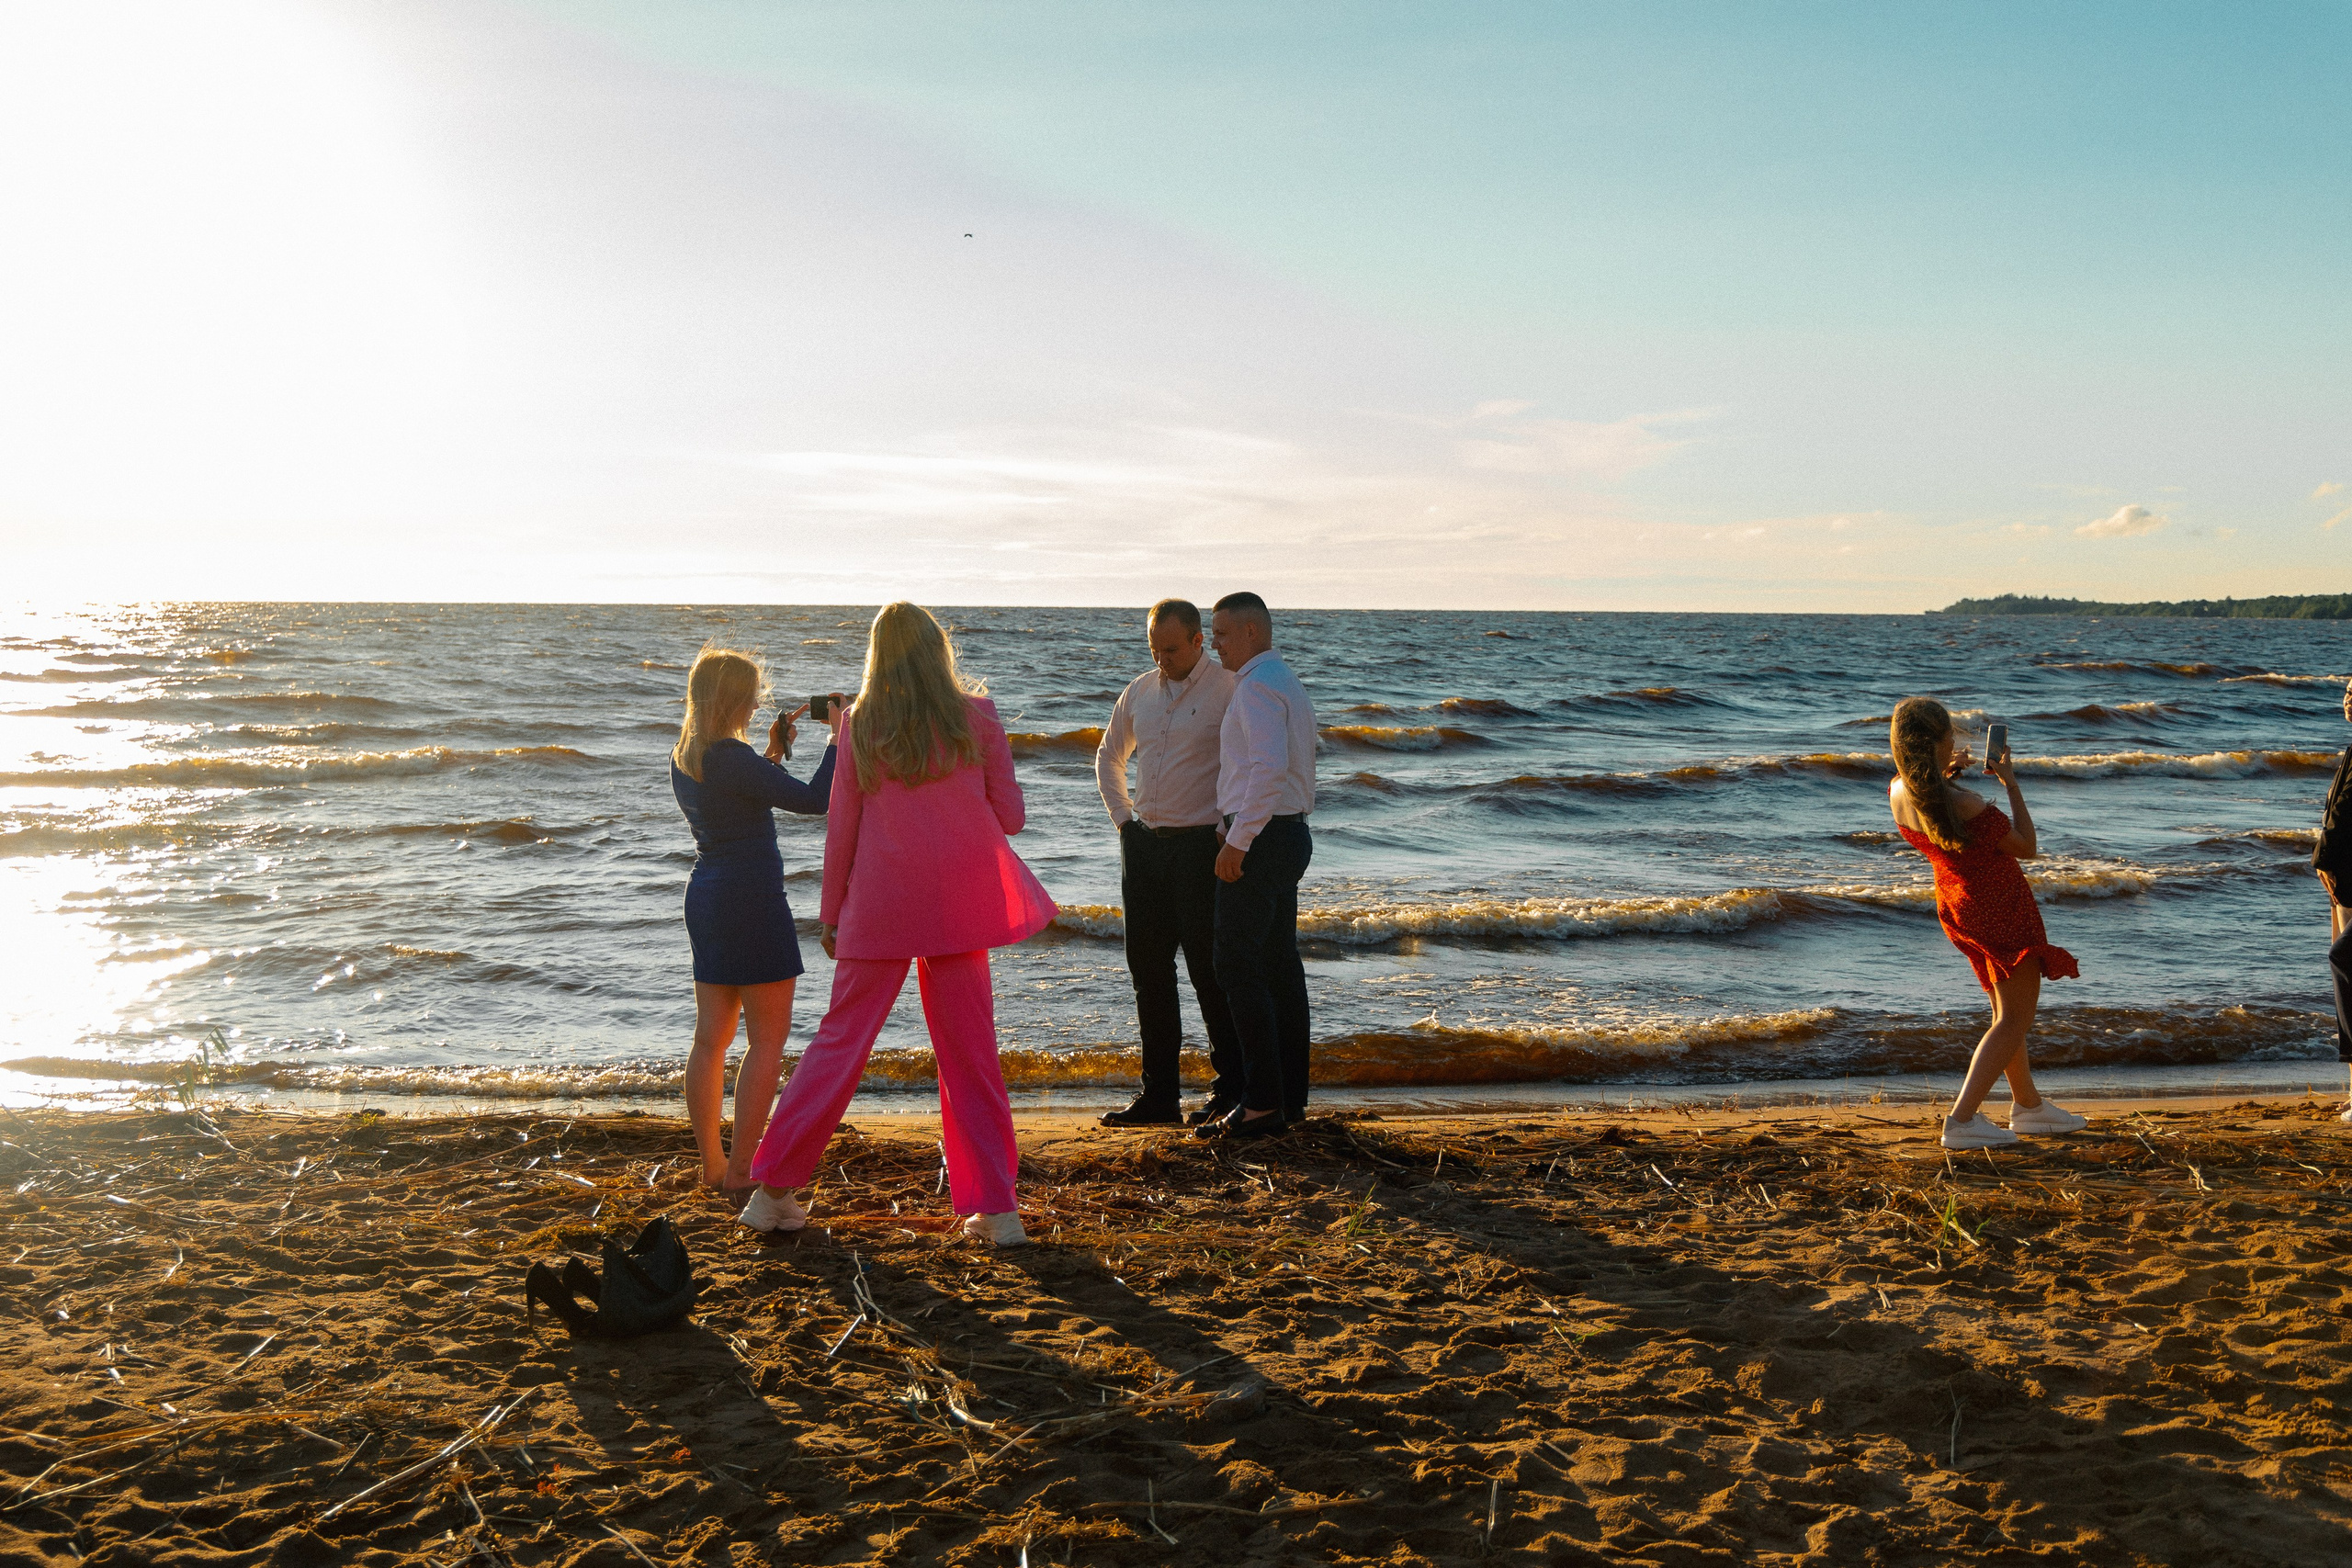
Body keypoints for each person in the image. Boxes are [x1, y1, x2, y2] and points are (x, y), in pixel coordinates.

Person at [740, 604, 1057, 1246]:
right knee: (970, 1054)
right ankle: (998, 1209)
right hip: (960, 906)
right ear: (939, 652)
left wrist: (831, 912)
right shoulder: (980, 715)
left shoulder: (861, 723)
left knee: (839, 1044)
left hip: (880, 904)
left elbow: (843, 829)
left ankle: (771, 1194)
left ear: (877, 657)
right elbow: (1014, 817)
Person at [669, 648, 841, 1203]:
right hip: (752, 900)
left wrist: (770, 753)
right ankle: (743, 1168)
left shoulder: (688, 754)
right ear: (737, 699)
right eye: (752, 693)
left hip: (708, 895)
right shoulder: (731, 758)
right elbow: (817, 801)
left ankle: (714, 1167)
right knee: (767, 1040)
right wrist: (839, 737)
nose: (758, 700)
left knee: (709, 1040)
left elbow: (737, 798)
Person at [1887, 697, 2086, 1150]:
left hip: (1958, 904)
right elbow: (2027, 845)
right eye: (1949, 735)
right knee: (2014, 1019)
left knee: (2004, 1014)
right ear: (1936, 742)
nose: (1956, 740)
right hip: (1998, 905)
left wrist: (1944, 774)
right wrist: (2010, 781)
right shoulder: (1966, 803)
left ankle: (2029, 1107)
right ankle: (1961, 1120)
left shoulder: (1901, 790)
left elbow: (1937, 807)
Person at [1092, 598, 1244, 1128]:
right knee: (1148, 973)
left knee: (1209, 971)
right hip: (1144, 844)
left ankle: (1231, 1091)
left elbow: (1249, 765)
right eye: (1154, 648)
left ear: (1200, 641)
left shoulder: (1229, 690)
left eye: (1172, 649)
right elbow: (1109, 755)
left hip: (1201, 847)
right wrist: (1123, 820)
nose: (1162, 659)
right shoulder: (1139, 691)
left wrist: (1230, 830)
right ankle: (1159, 1098)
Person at [1197, 591, 1317, 1141]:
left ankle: (1263, 1102)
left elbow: (1268, 770)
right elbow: (1269, 774)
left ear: (1250, 632)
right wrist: (1231, 824)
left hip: (1265, 840)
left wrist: (1238, 841)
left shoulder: (1256, 688)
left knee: (1237, 966)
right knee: (1278, 968)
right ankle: (1288, 1099)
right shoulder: (1283, 678)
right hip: (1285, 834)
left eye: (1220, 633)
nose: (1214, 643)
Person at [2310, 678, 2352, 1122]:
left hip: (2347, 876)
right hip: (2344, 878)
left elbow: (2343, 815)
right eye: (2346, 692)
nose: (2349, 699)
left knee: (2346, 962)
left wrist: (2322, 857)